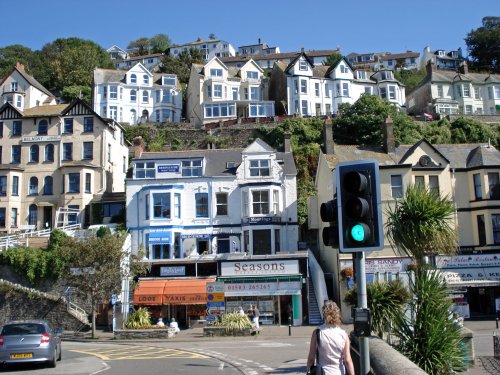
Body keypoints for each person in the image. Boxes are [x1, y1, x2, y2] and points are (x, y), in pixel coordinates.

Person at [307, 300, 355, 375]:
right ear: (337, 314)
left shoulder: (317, 332)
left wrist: (308, 371)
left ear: (324, 314)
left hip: (322, 372)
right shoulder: (343, 335)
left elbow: (311, 358)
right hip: (338, 372)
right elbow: (348, 360)